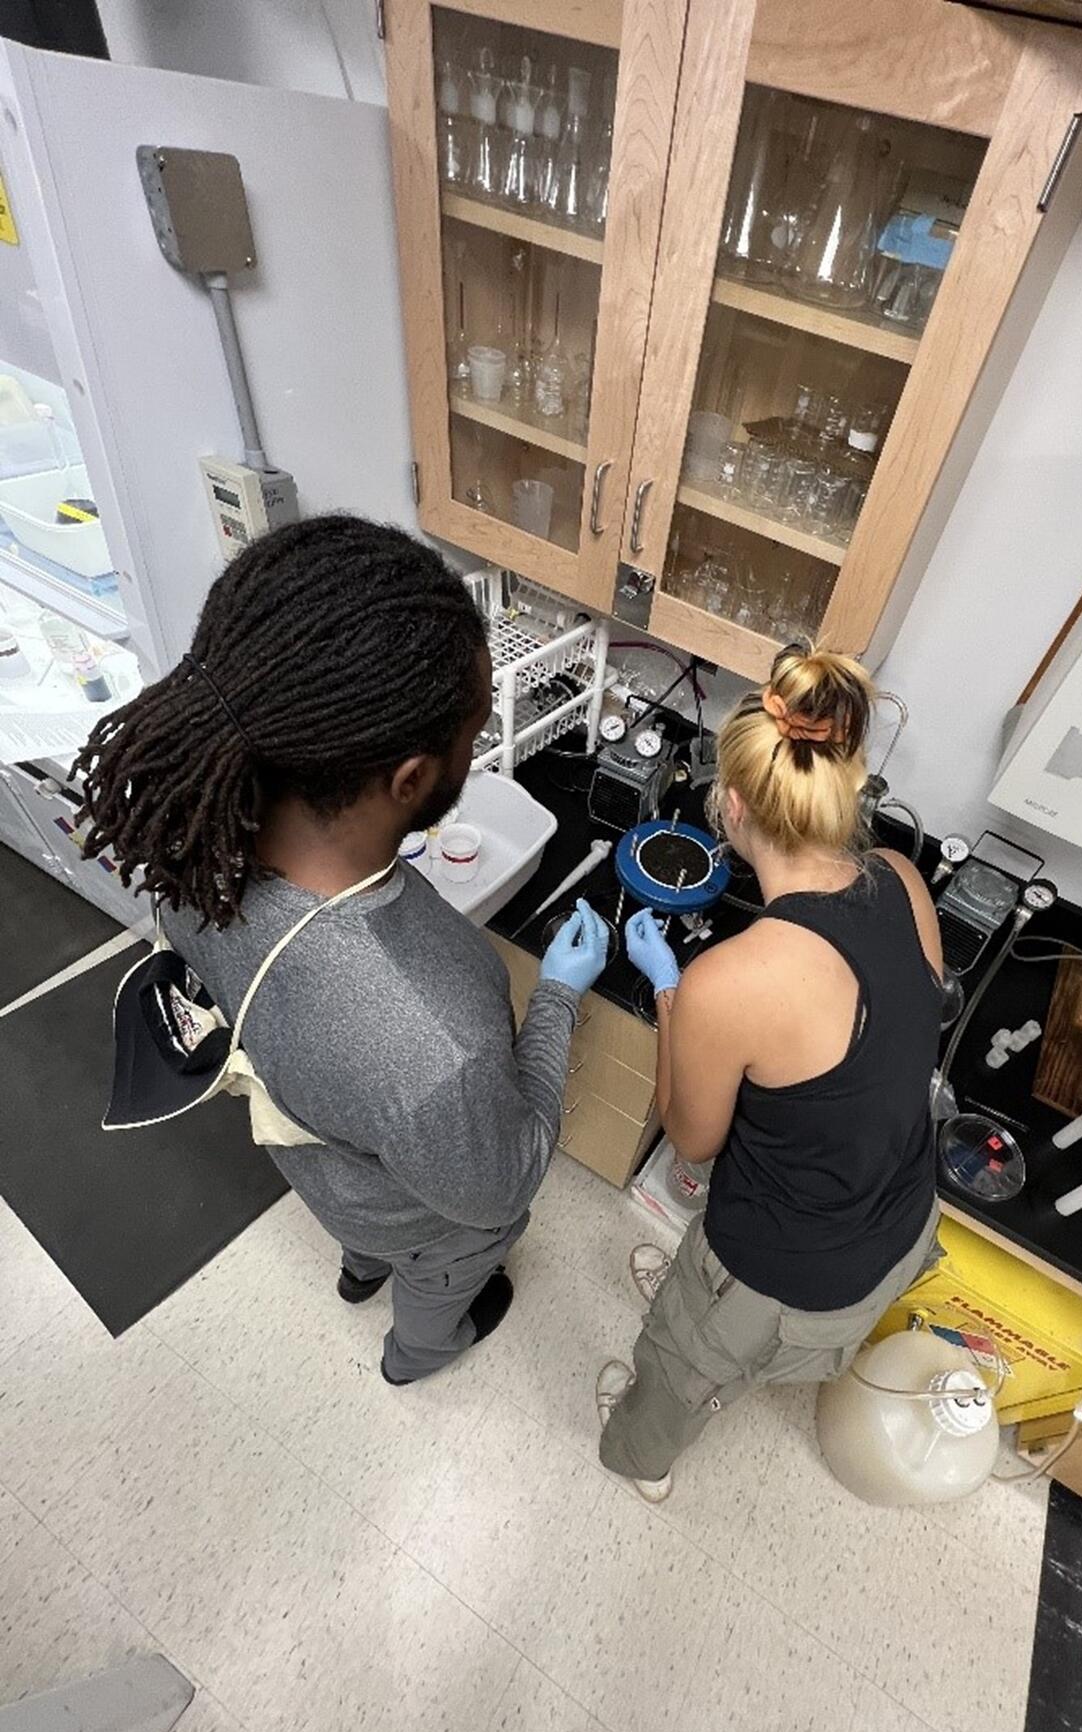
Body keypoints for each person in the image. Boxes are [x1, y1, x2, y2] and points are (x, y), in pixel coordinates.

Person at [75, 516, 607, 1384]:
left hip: (321, 1174)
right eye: (471, 737)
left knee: (363, 1209)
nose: (473, 754)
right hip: (427, 1225)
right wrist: (557, 996)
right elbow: (501, 1181)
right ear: (407, 781)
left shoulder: (192, 852)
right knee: (445, 1276)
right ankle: (417, 1351)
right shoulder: (434, 1040)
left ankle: (360, 1264)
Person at [597, 644, 944, 1499]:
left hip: (778, 1275)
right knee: (715, 1312)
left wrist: (674, 988)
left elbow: (692, 1142)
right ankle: (697, 1292)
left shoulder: (735, 981)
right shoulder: (901, 878)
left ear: (733, 802)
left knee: (679, 1370)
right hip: (898, 1227)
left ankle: (642, 1456)